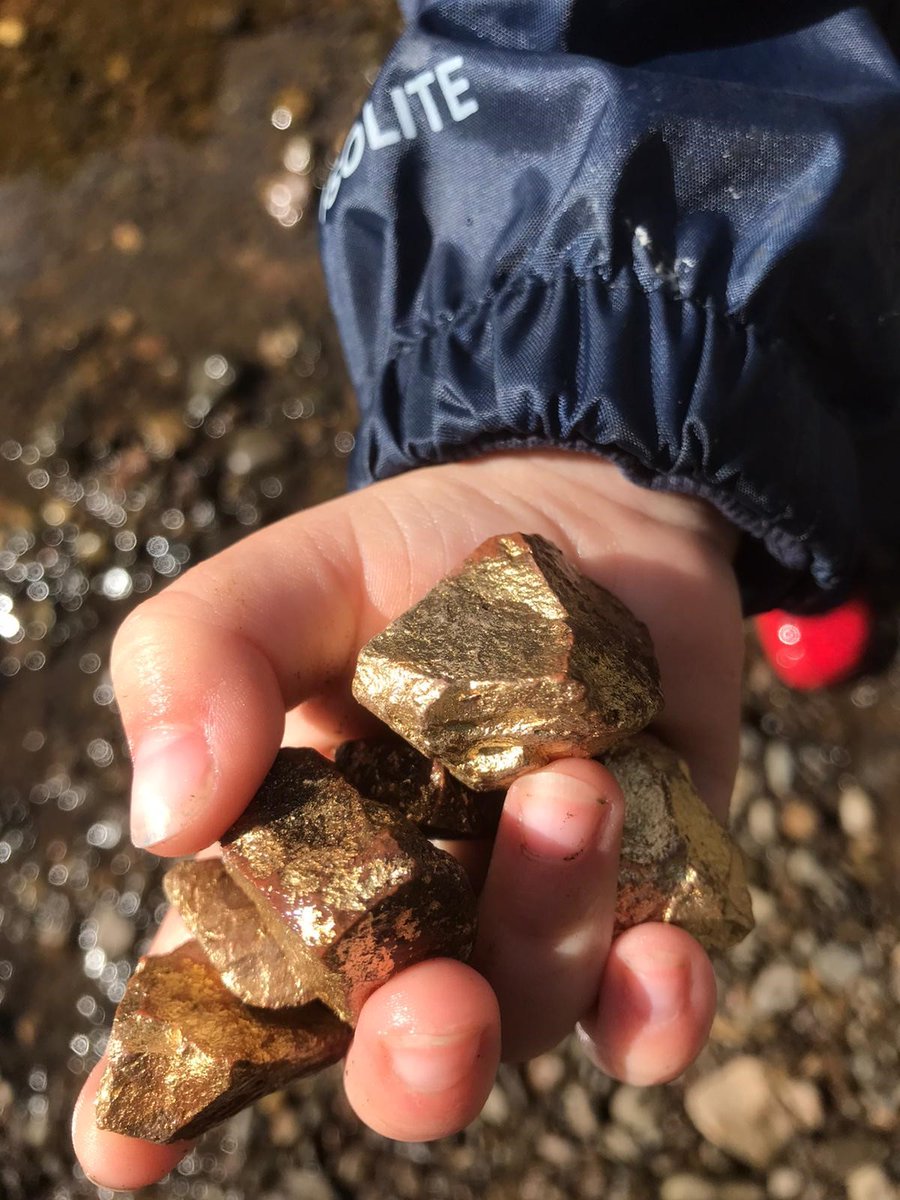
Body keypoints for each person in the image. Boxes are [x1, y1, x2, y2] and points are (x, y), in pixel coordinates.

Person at [73, 1, 900, 1188]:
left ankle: (817, 532)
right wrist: (593, 404)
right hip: (756, 269)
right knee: (808, 424)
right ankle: (775, 512)